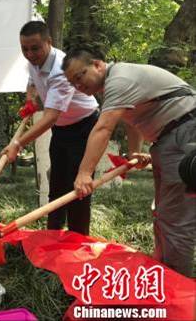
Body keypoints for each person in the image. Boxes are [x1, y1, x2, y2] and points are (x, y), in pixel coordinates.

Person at [62, 49, 196, 277]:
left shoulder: (119, 79)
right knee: (163, 213)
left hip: (185, 134)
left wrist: (84, 173)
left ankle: (177, 284)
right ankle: (163, 271)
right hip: (168, 138)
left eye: (79, 76)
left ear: (98, 65)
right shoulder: (114, 85)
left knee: (175, 218)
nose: (78, 86)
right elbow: (132, 120)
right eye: (72, 83)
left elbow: (103, 129)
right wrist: (135, 152)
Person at [1, 21, 99, 235]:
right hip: (62, 129)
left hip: (84, 126)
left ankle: (77, 241)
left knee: (78, 188)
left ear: (49, 42)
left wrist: (17, 144)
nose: (30, 54)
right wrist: (30, 98)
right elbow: (32, 80)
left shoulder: (61, 70)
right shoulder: (33, 60)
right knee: (57, 185)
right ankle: (52, 236)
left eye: (35, 48)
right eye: (25, 49)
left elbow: (50, 117)